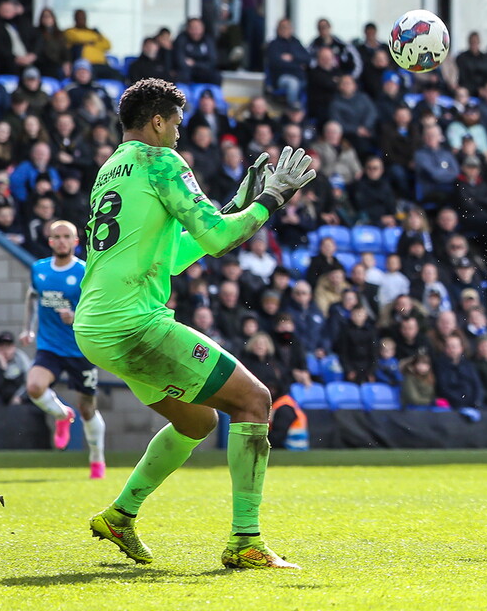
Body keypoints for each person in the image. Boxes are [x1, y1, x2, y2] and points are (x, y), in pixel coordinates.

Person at [73, 78, 316, 569]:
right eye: (178, 124)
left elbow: (179, 254)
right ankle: (245, 541)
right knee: (254, 401)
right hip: (132, 323)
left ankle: (120, 516)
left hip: (94, 325)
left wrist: (233, 206)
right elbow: (221, 240)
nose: (181, 135)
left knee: (198, 419)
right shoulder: (160, 161)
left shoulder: (110, 171)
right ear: (158, 121)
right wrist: (272, 197)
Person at [18, 220, 105, 477]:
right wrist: (28, 329)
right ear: (50, 241)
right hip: (50, 346)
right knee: (34, 387)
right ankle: (61, 414)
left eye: (67, 236)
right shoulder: (39, 269)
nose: (62, 240)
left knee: (88, 408)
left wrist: (76, 316)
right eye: (57, 236)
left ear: (76, 242)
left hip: (82, 348)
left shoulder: (85, 271)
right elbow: (32, 297)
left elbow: (99, 308)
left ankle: (97, 459)